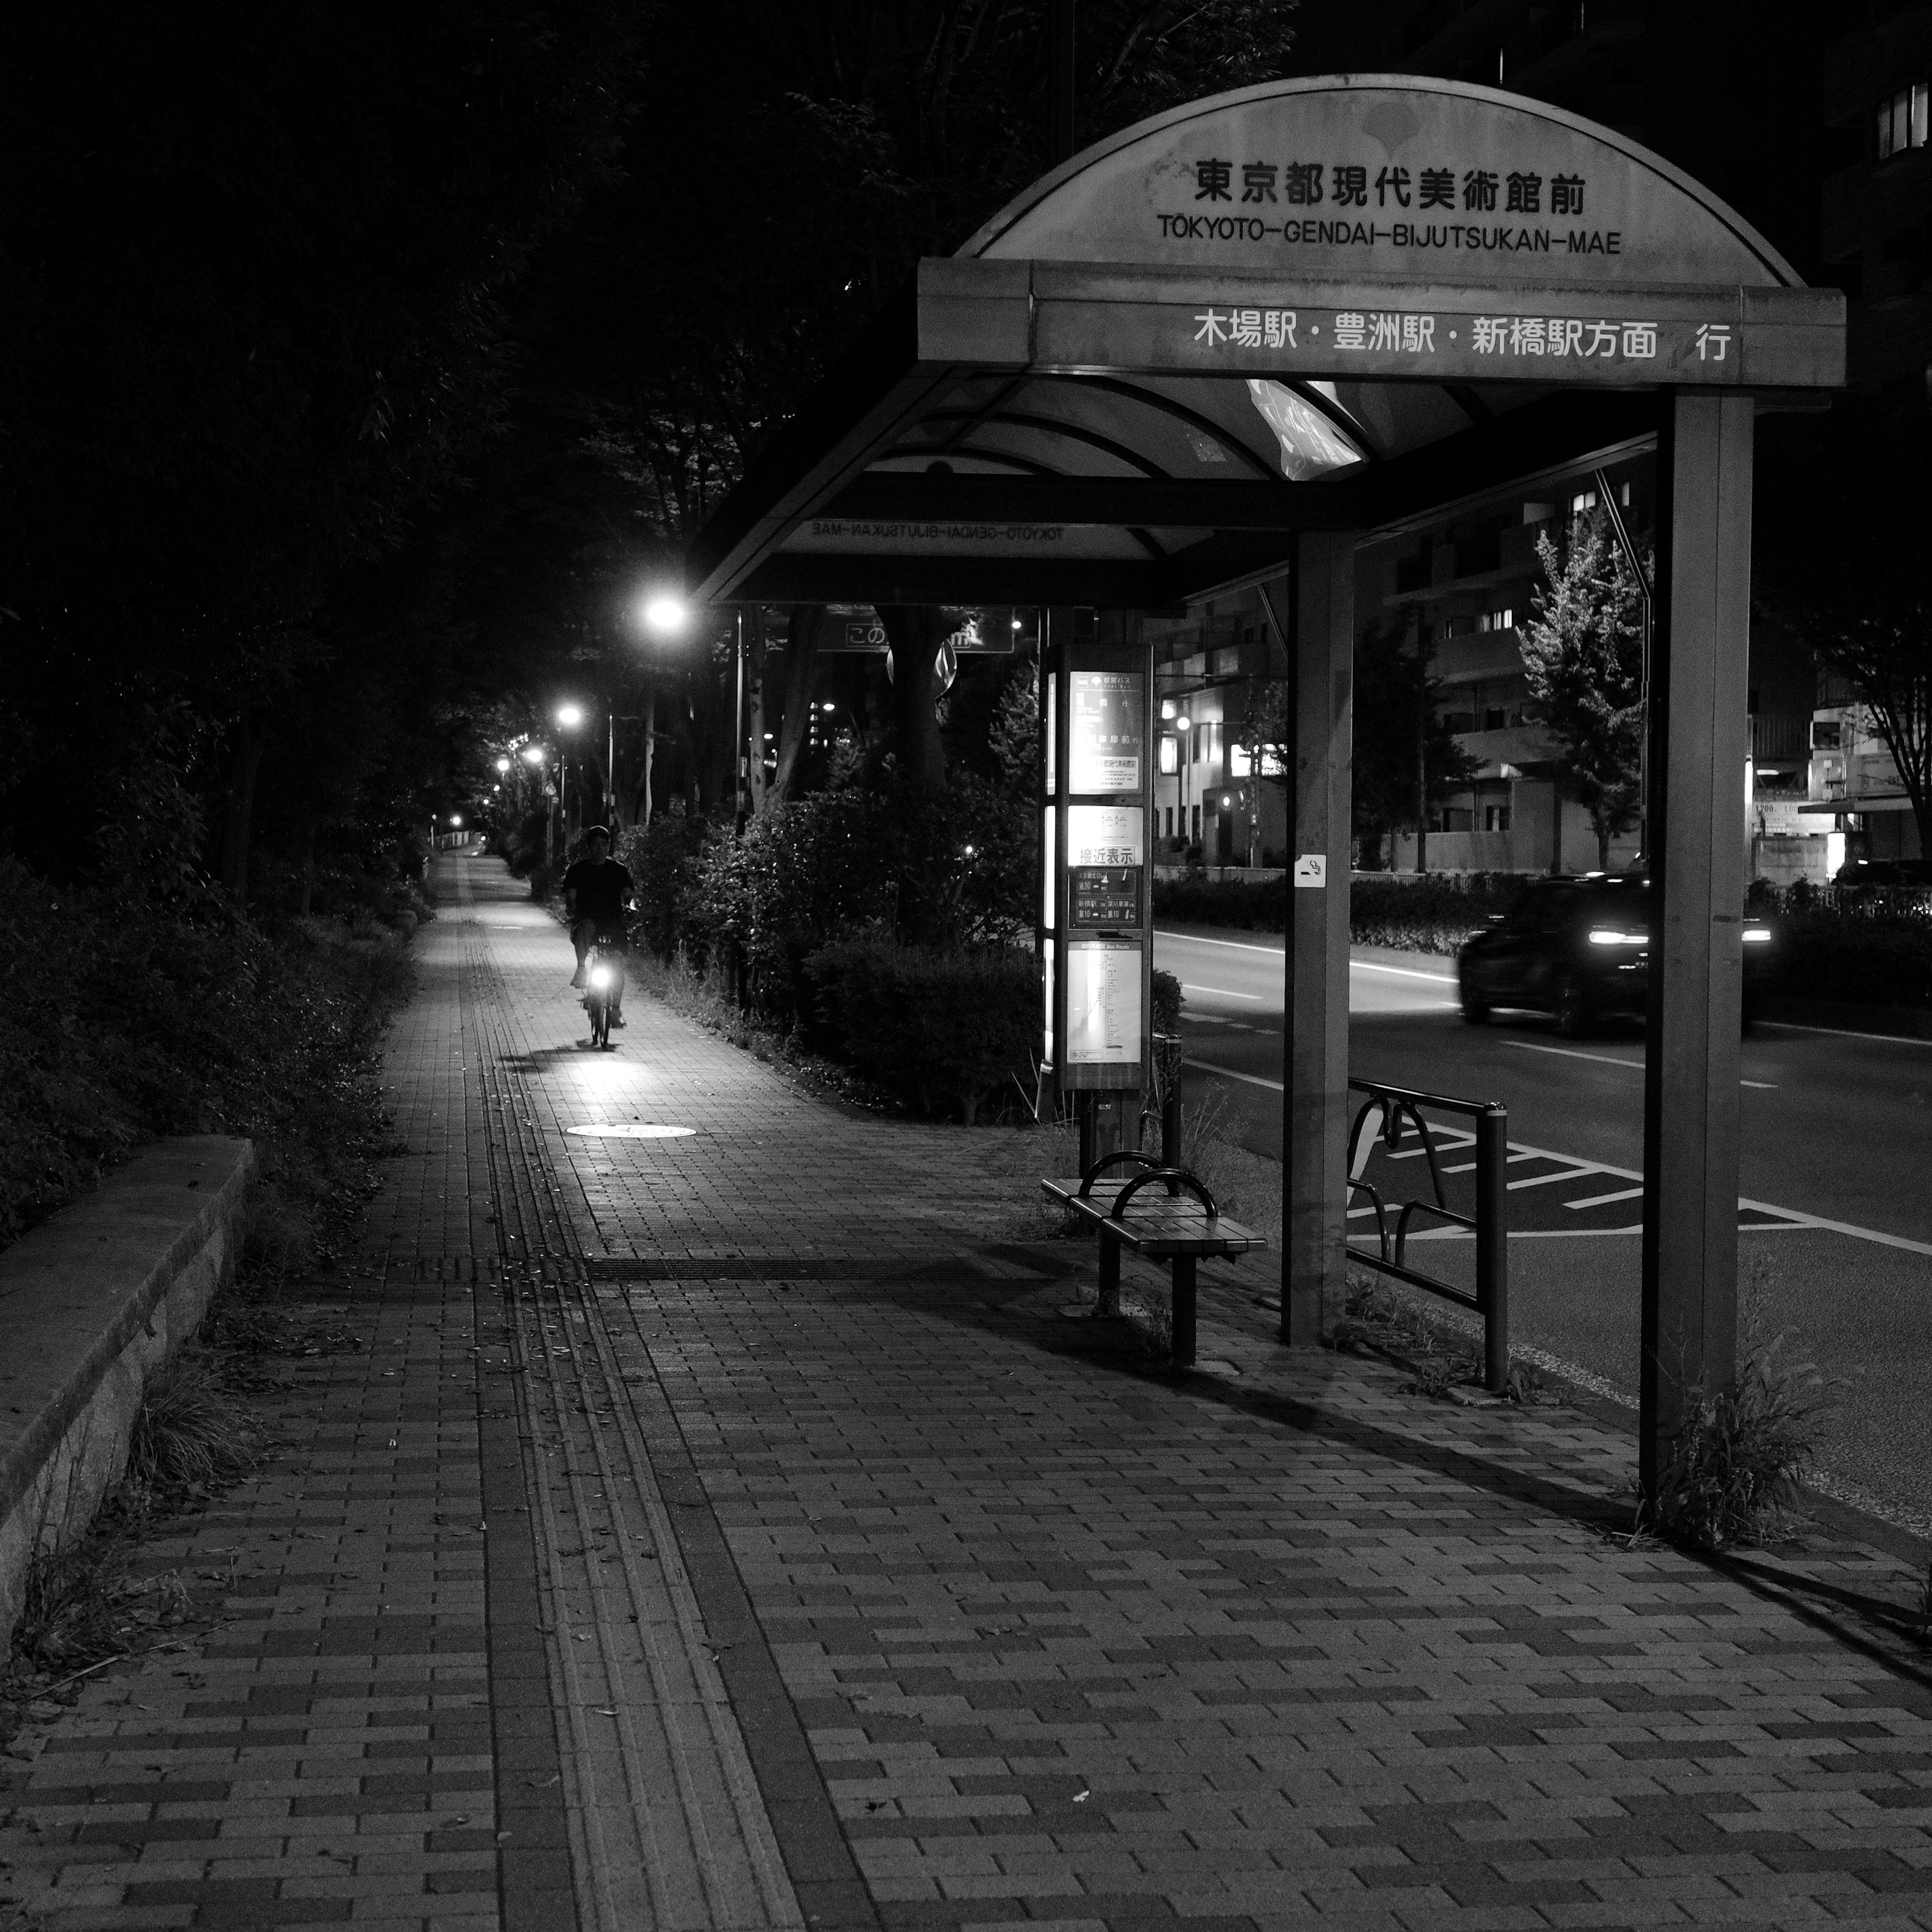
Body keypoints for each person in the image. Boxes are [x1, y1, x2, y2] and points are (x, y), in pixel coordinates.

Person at [561, 827, 635, 1023]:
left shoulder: (618, 870)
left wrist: (632, 906)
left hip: (613, 922)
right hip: (588, 920)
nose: (599, 849)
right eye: (595, 845)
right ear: (588, 847)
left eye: (603, 845)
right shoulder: (578, 870)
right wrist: (572, 907)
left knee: (618, 964)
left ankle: (616, 1010)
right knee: (584, 928)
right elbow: (571, 894)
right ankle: (581, 969)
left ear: (609, 846)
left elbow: (628, 893)